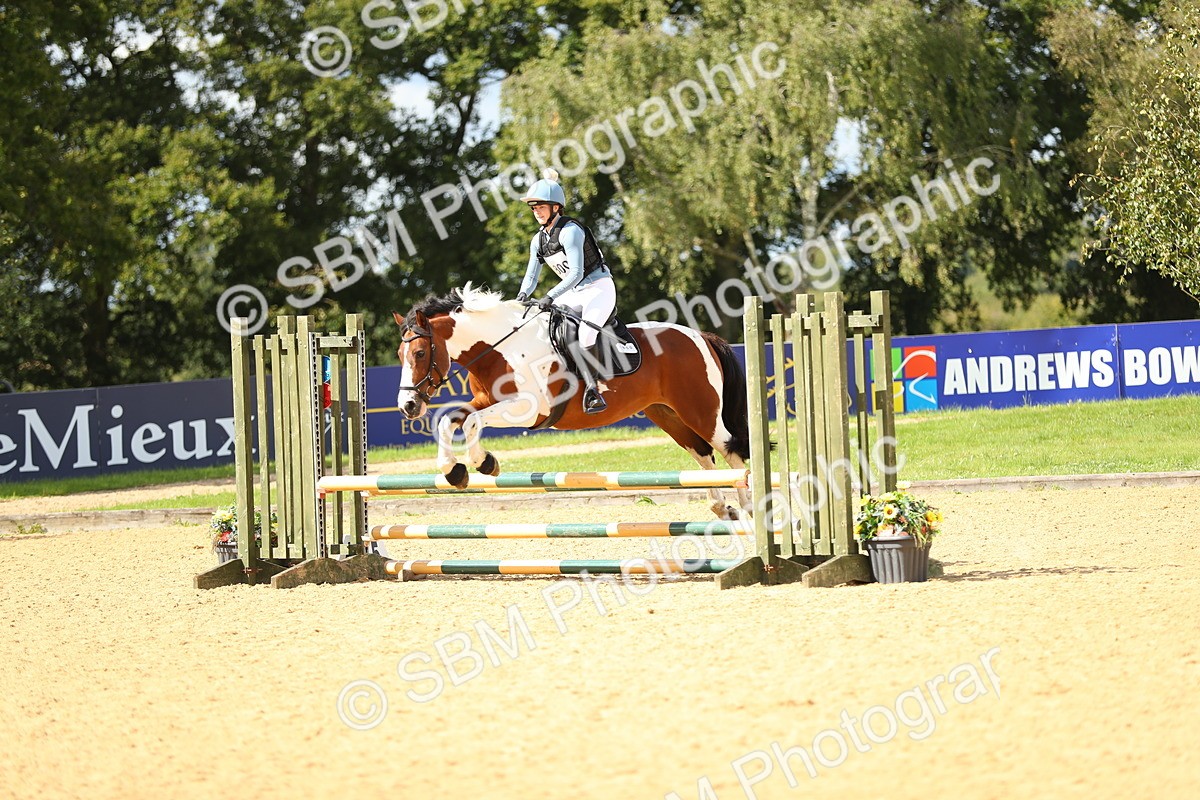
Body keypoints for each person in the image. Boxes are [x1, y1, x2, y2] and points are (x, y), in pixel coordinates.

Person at [516, 168, 616, 414]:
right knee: (549, 329)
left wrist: (550, 296)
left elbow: (576, 273)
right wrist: (522, 296)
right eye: (533, 208)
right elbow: (531, 275)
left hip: (598, 288)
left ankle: (593, 390)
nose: (536, 212)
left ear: (556, 207)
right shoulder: (538, 240)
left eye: (541, 207)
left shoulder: (571, 231)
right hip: (574, 292)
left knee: (586, 334)